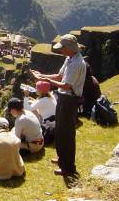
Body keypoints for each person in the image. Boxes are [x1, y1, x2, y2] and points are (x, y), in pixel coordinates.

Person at [31, 33, 87, 176]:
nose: (61, 50)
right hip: (63, 98)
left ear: (69, 48)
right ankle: (62, 158)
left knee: (67, 133)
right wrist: (42, 76)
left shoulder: (76, 63)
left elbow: (66, 85)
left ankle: (68, 167)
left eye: (63, 48)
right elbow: (59, 76)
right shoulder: (69, 59)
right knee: (60, 130)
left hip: (69, 100)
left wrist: (46, 81)